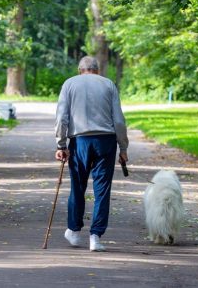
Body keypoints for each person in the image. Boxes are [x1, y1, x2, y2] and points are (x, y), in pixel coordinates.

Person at [55, 56, 129, 252]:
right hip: (106, 141)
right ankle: (95, 237)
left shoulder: (69, 84)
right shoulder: (109, 85)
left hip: (80, 141)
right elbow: (119, 120)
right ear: (97, 69)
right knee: (102, 191)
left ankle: (73, 230)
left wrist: (61, 145)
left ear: (80, 69)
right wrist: (123, 148)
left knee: (77, 187)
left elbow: (61, 117)